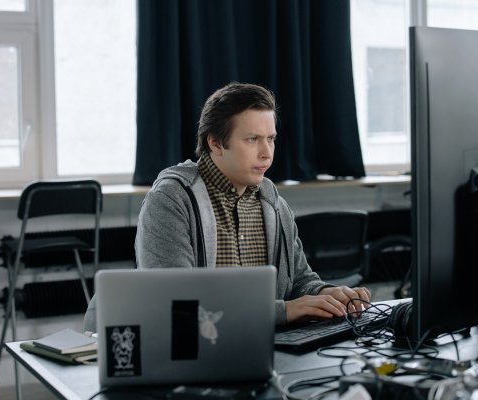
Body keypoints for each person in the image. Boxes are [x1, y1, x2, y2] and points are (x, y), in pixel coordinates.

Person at [83, 82, 370, 332]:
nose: (267, 153)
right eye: (252, 139)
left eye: (271, 139)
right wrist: (284, 311)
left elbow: (299, 282)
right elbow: (176, 303)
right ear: (216, 143)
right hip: (192, 351)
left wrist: (328, 294)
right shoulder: (170, 200)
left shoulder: (274, 204)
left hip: (263, 347)